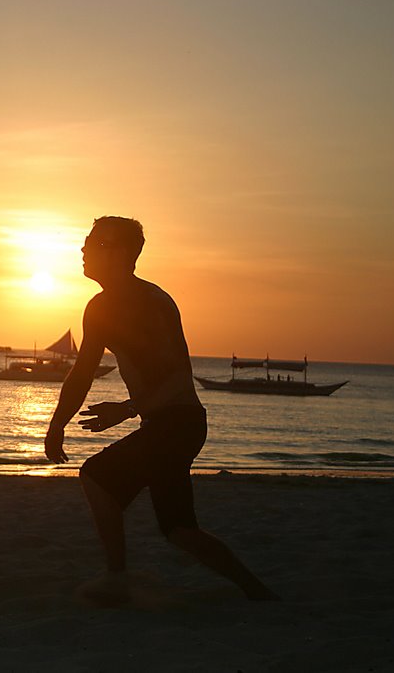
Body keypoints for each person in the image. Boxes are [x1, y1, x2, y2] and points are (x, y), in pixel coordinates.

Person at [44, 216, 277, 602]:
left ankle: (117, 577)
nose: (83, 250)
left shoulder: (149, 303)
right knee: (180, 531)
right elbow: (82, 372)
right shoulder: (100, 307)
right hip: (166, 425)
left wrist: (127, 408)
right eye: (85, 242)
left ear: (119, 253)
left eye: (94, 243)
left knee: (97, 476)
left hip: (178, 423)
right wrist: (56, 425)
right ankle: (258, 593)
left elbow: (179, 377)